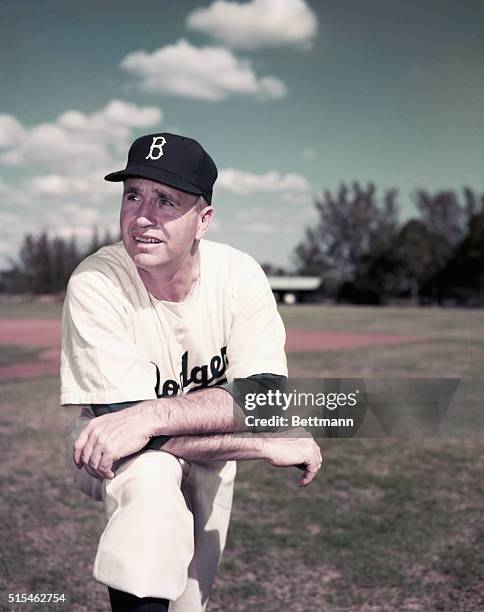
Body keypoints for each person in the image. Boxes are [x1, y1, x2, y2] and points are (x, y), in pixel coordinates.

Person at [61, 132, 322, 612]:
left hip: (207, 453)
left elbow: (263, 397)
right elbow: (123, 428)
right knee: (151, 480)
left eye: (166, 200)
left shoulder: (239, 276)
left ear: (203, 220)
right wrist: (262, 445)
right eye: (133, 195)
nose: (143, 215)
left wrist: (152, 416)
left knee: (188, 600)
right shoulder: (97, 280)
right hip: (104, 442)